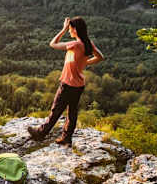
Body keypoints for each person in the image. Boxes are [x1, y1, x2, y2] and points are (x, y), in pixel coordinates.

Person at [28, 17, 104, 146]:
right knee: (72, 112)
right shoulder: (88, 43)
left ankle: (41, 133)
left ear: (74, 29)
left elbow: (53, 43)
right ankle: (67, 138)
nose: (69, 31)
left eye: (69, 29)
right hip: (79, 84)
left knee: (56, 110)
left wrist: (62, 29)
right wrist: (84, 63)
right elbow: (101, 57)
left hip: (68, 84)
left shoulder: (75, 44)